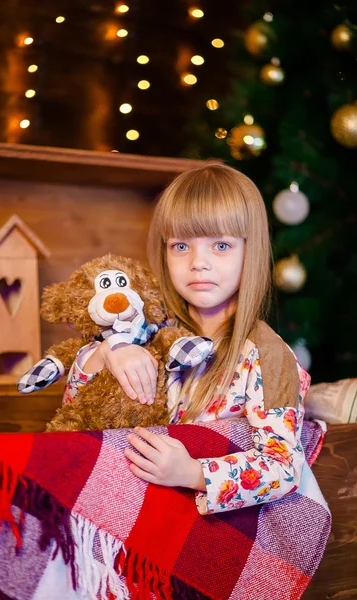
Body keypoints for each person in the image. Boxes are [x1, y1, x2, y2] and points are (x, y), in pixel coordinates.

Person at [69, 162, 311, 515]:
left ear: (250, 250)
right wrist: (107, 352)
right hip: (124, 508)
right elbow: (77, 412)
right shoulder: (146, 329)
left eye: (221, 246)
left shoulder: (268, 356)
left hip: (199, 531)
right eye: (181, 246)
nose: (198, 262)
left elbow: (283, 466)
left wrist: (193, 472)